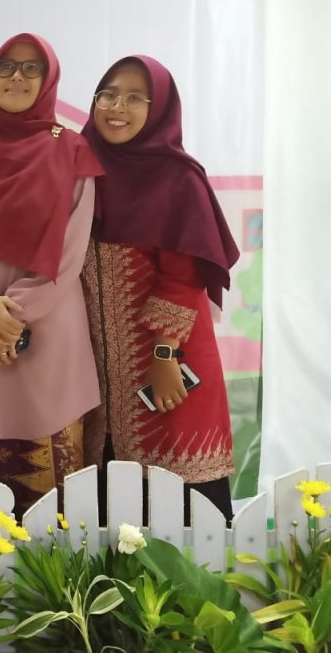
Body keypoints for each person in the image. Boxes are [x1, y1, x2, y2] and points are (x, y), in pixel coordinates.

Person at [0, 33, 104, 517]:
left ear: (49, 80)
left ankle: (54, 567)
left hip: (47, 324)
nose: (17, 77)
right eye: (6, 66)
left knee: (53, 481)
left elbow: (72, 249)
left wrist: (12, 316)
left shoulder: (71, 151)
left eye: (32, 68)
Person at [79, 55, 240, 523]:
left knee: (182, 481)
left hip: (169, 360)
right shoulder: (82, 171)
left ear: (160, 109)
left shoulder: (177, 178)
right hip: (100, 369)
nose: (117, 107)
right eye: (108, 95)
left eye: (135, 98)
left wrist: (165, 354)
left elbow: (183, 277)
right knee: (114, 499)